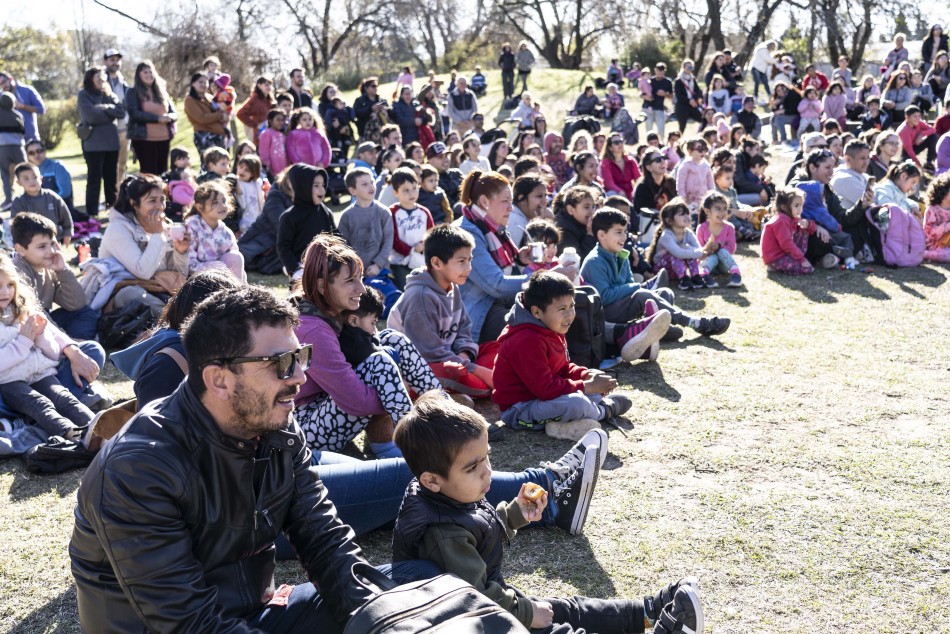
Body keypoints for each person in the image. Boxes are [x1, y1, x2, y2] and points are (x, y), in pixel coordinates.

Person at [70, 283, 444, 632]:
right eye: (282, 362)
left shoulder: (274, 424)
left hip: (252, 612)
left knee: (418, 583)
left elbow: (324, 540)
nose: (299, 377)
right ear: (219, 379)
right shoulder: (137, 468)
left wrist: (378, 620)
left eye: (301, 356)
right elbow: (188, 622)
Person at [391, 392, 706, 633]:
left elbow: (482, 529)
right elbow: (476, 600)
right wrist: (527, 613)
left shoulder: (451, 496)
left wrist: (516, 513)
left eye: (486, 458)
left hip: (491, 603)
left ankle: (645, 611)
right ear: (432, 480)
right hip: (477, 620)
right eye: (473, 467)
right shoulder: (443, 534)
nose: (487, 472)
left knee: (564, 608)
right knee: (554, 626)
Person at [292, 234, 441, 457]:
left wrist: (393, 388)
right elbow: (357, 401)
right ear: (323, 286)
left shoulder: (331, 309)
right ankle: (418, 447)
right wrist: (393, 392)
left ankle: (446, 414)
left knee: (393, 339)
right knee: (380, 363)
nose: (361, 289)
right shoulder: (313, 329)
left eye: (360, 278)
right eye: (350, 281)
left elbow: (372, 348)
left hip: (325, 407)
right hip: (304, 427)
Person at [491, 279, 641, 439]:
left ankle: (565, 426)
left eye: (572, 306)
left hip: (544, 400)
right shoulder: (526, 339)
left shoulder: (548, 326)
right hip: (520, 411)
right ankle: (604, 410)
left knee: (588, 389)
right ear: (536, 312)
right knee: (577, 403)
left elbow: (562, 368)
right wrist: (587, 386)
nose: (570, 314)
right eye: (562, 309)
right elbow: (545, 389)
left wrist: (585, 375)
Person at [580, 207, 721, 354]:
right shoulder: (594, 261)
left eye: (625, 232)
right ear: (602, 234)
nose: (624, 237)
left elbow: (627, 282)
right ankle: (693, 322)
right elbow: (604, 296)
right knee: (642, 295)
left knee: (664, 292)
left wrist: (634, 288)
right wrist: (636, 287)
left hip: (621, 305)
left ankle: (661, 329)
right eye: (618, 232)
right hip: (606, 316)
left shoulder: (620, 255)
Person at [388, 224, 494, 399]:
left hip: (449, 357)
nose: (469, 268)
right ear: (436, 263)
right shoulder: (419, 297)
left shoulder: (452, 287)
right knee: (454, 372)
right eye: (461, 261)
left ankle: (463, 388)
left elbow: (463, 329)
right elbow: (429, 353)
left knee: (496, 348)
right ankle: (453, 391)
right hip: (419, 368)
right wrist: (474, 369)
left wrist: (464, 354)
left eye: (469, 260)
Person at [0, 252, 93, 441]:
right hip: (9, 382)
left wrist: (41, 335)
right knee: (39, 404)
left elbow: (53, 353)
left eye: (10, 285)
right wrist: (24, 342)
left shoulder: (21, 308)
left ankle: (98, 427)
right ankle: (70, 432)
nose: (6, 292)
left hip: (41, 373)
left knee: (64, 398)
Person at [97, 174, 189, 318]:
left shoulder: (165, 225)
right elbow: (143, 272)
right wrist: (157, 236)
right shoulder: (118, 229)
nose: (160, 207)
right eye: (152, 201)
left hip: (160, 290)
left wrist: (181, 252)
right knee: (132, 294)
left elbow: (177, 274)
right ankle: (175, 322)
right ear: (134, 203)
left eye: (162, 200)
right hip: (119, 297)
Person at [11, 213, 96, 342]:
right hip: (21, 329)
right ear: (20, 250)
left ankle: (76, 346)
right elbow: (35, 316)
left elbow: (77, 304)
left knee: (84, 312)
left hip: (45, 322)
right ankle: (70, 347)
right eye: (42, 247)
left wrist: (63, 270)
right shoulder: (16, 273)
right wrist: (66, 342)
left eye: (52, 244)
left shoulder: (48, 266)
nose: (50, 251)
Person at [77, 67, 125, 218]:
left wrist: (106, 108)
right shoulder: (84, 95)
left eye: (102, 76)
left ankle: (114, 210)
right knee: (94, 179)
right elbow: (90, 116)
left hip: (111, 143)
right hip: (93, 144)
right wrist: (110, 116)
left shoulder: (109, 94)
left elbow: (121, 111)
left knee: (111, 178)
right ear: (90, 78)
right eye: (96, 76)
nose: (100, 78)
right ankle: (92, 213)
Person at [275, 165, 336, 277]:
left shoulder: (325, 211)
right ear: (303, 187)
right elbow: (283, 247)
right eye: (316, 185)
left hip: (326, 265)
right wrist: (295, 270)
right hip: (302, 267)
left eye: (323, 185)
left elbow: (336, 236)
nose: (322, 189)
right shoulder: (289, 216)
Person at [646, 198, 711, 290]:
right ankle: (684, 280)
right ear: (669, 220)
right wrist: (698, 253)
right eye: (681, 214)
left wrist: (694, 251)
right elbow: (679, 253)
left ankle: (695, 277)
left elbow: (698, 248)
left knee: (689, 251)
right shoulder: (667, 235)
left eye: (687, 213)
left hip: (678, 269)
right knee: (676, 254)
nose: (687, 216)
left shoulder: (688, 233)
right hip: (663, 270)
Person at [125, 61, 176, 176]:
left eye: (150, 72)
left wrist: (170, 117)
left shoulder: (161, 92)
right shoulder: (132, 92)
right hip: (144, 139)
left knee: (163, 173)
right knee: (149, 174)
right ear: (139, 74)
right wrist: (157, 119)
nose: (149, 75)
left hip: (164, 138)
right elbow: (135, 113)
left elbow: (174, 112)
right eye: (145, 72)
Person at [387, 168, 434, 289]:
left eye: (414, 188)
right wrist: (411, 250)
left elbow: (431, 234)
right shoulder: (392, 212)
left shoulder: (424, 212)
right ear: (396, 193)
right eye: (406, 190)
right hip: (400, 262)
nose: (411, 193)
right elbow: (393, 239)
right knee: (407, 290)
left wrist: (423, 245)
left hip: (422, 260)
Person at [797, 180, 858, 268]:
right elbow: (831, 224)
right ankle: (847, 256)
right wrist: (838, 227)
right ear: (815, 198)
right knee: (845, 237)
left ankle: (829, 258)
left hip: (807, 245)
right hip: (824, 237)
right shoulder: (819, 210)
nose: (824, 200)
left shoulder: (801, 210)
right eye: (822, 197)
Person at [11, 163, 72, 245]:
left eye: (35, 177)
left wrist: (68, 233)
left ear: (41, 178)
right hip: (31, 242)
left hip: (54, 239)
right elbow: (16, 225)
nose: (32, 181)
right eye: (26, 179)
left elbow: (65, 216)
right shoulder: (19, 202)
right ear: (19, 182)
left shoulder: (52, 196)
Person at [761, 186, 816, 274]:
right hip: (775, 257)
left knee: (804, 228)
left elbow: (813, 228)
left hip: (784, 254)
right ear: (784, 207)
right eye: (796, 206)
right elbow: (786, 243)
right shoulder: (781, 220)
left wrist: (808, 224)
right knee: (807, 269)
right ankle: (773, 266)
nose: (800, 209)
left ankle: (796, 259)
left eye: (801, 205)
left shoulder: (792, 218)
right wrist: (802, 259)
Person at [695, 192, 742, 287]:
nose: (722, 212)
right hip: (707, 264)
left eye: (724, 209)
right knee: (714, 256)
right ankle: (704, 274)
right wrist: (709, 248)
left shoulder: (729, 227)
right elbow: (699, 251)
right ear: (707, 211)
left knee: (721, 251)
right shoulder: (701, 228)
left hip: (724, 265)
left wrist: (719, 246)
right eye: (718, 209)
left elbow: (731, 248)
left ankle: (736, 274)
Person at [183, 73, 229, 155]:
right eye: (200, 82)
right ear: (193, 84)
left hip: (220, 134)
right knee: (210, 164)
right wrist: (220, 116)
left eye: (205, 82)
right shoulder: (189, 100)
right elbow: (201, 118)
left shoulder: (210, 98)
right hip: (205, 135)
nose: (204, 85)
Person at [24, 140, 74, 213]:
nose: (36, 155)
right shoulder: (28, 171)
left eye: (39, 151)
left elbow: (65, 192)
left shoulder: (57, 166)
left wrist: (43, 202)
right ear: (27, 156)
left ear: (45, 151)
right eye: (31, 153)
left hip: (60, 210)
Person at [0, 71, 45, 144]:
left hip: (30, 138)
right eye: (0, 84)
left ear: (11, 78)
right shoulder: (1, 96)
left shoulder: (28, 90)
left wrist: (23, 106)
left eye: (4, 82)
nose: (3, 86)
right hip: (10, 142)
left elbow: (41, 109)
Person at [829, 139, 871, 209]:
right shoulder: (843, 179)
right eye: (862, 158)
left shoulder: (863, 175)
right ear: (848, 159)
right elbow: (873, 203)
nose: (866, 162)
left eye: (868, 158)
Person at [236, 75, 276, 145]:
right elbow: (240, 113)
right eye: (266, 85)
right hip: (257, 133)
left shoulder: (269, 99)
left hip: (268, 131)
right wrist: (254, 124)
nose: (269, 87)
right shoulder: (254, 99)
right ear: (259, 85)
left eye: (270, 85)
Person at [426, 142, 464, 207]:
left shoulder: (457, 173)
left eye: (446, 156)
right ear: (430, 161)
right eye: (440, 157)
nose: (445, 159)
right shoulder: (430, 181)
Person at [923, 172, 950, 262]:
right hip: (935, 245)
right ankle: (924, 254)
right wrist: (946, 226)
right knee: (946, 255)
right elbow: (930, 233)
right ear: (943, 191)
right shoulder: (932, 210)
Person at [673, 60, 703, 133]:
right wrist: (689, 101)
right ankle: (678, 140)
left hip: (693, 105)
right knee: (682, 126)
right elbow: (678, 95)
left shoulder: (693, 79)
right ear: (683, 68)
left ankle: (701, 134)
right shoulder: (678, 81)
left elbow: (698, 91)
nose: (690, 69)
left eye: (691, 67)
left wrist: (697, 99)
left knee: (703, 120)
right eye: (688, 67)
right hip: (682, 106)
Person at [647, 63, 674, 138]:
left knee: (661, 130)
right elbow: (642, 92)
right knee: (649, 129)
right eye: (658, 72)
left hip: (660, 108)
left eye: (661, 72)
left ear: (664, 72)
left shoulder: (667, 82)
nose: (659, 74)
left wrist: (664, 94)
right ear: (655, 70)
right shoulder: (650, 81)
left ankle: (661, 143)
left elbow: (671, 95)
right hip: (649, 107)